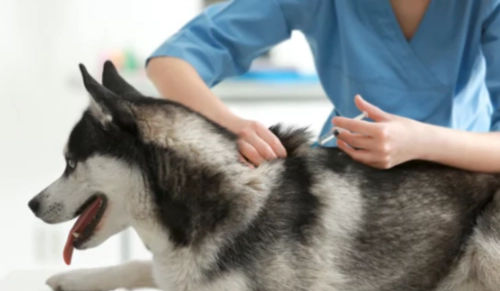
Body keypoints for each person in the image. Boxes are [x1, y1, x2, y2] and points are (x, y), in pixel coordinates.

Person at [146, 0, 500, 172]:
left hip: (466, 189)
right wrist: (226, 126)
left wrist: (420, 141)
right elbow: (171, 61)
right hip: (347, 183)